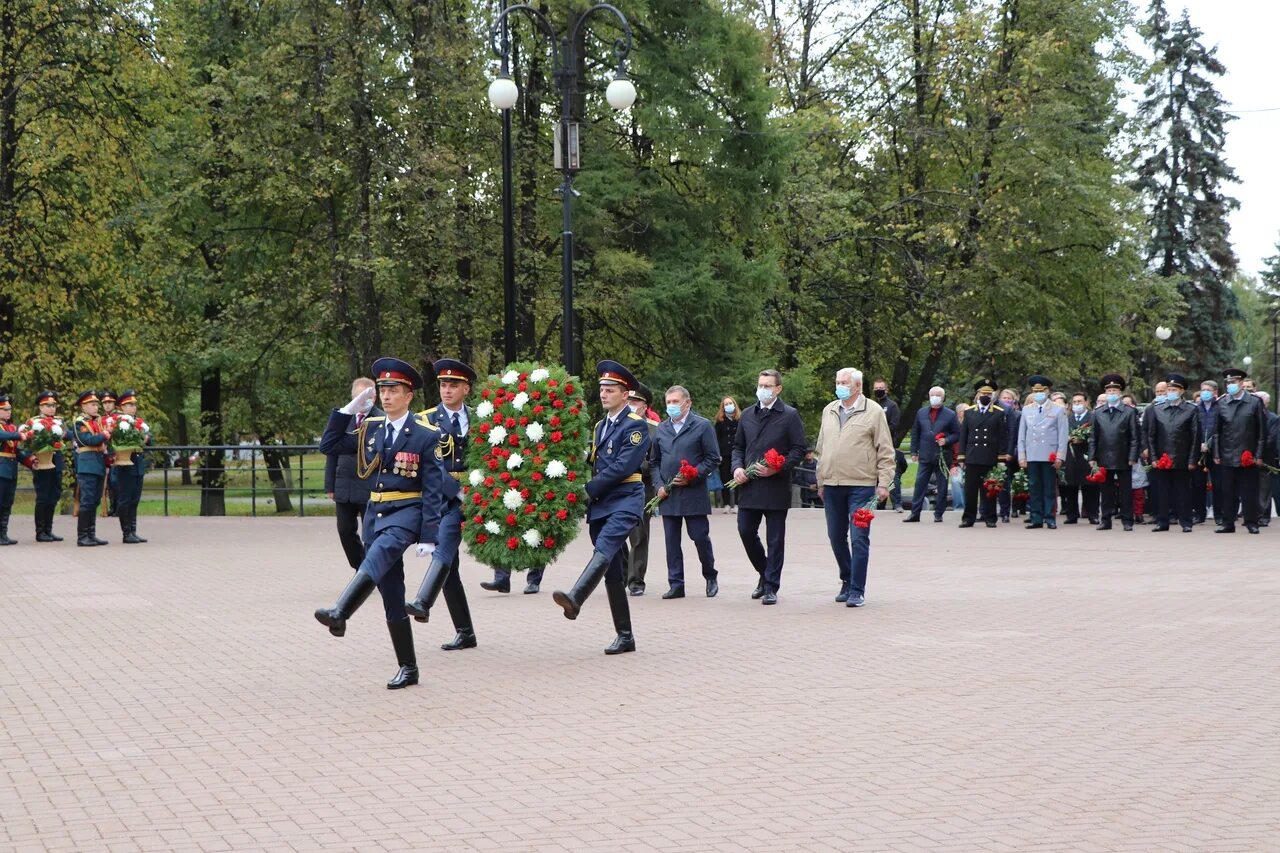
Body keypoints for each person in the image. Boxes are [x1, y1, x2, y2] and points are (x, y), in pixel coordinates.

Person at [315, 357, 447, 689]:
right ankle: (409, 667)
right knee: (391, 591)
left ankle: (341, 610)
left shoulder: (425, 435)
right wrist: (349, 409)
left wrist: (429, 535)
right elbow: (329, 445)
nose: (386, 396)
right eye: (383, 390)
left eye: (394, 390)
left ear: (409, 396)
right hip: (376, 515)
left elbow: (433, 489)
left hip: (407, 513)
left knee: (380, 553)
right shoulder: (371, 429)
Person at [552, 361, 649, 654]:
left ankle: (576, 597)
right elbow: (592, 461)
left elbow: (623, 467)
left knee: (605, 548)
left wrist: (587, 490)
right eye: (602, 389)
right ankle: (625, 636)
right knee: (612, 571)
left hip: (626, 498)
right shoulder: (599, 426)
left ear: (625, 394)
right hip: (601, 504)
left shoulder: (635, 426)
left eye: (610, 390)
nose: (604, 394)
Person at [405, 358, 479, 651]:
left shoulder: (480, 418)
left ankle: (424, 600)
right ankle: (465, 631)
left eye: (453, 385)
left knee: (446, 547)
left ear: (466, 389)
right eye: (443, 385)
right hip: (442, 497)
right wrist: (457, 490)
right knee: (451, 563)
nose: (447, 390)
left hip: (474, 496)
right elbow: (426, 464)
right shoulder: (425, 419)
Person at [816, 368, 896, 607]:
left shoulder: (873, 411)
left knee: (859, 538)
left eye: (845, 382)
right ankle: (847, 578)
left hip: (861, 486)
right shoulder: (829, 410)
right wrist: (820, 480)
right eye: (838, 381)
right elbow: (821, 448)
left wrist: (884, 483)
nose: (839, 385)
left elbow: (885, 449)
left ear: (858, 386)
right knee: (835, 536)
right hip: (832, 485)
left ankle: (857, 590)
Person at [731, 368, 807, 605]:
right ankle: (764, 573)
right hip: (750, 486)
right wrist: (737, 468)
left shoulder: (789, 415)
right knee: (745, 531)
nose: (762, 389)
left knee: (775, 539)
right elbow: (738, 447)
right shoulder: (747, 415)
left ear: (778, 389)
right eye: (760, 385)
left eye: (767, 386)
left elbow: (798, 450)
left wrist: (779, 467)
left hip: (775, 486)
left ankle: (771, 585)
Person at [651, 385, 720, 599]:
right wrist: (659, 485)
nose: (671, 406)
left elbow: (713, 458)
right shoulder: (661, 429)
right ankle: (676, 583)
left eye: (675, 402)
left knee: (699, 536)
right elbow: (654, 462)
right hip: (668, 495)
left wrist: (694, 474)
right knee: (671, 541)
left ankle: (710, 575)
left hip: (693, 494)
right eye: (668, 402)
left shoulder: (702, 425)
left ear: (687, 403)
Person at [324, 377, 378, 570]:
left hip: (369, 486)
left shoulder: (380, 418)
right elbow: (331, 452)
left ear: (374, 397)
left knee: (371, 534)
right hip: (344, 485)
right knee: (345, 531)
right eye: (359, 398)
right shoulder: (343, 419)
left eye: (368, 397)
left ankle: (371, 571)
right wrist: (329, 485)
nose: (363, 402)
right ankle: (360, 566)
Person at [1212, 367, 1267, 534]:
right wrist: (1216, 453)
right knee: (1227, 492)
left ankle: (1251, 522)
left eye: (1233, 382)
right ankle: (1228, 523)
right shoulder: (1221, 403)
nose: (1230, 385)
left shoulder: (1254, 402)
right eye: (1228, 383)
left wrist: (1258, 454)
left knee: (1249, 492)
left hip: (1247, 454)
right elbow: (1216, 432)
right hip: (1227, 453)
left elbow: (1262, 432)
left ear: (1242, 383)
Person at [1143, 375, 1199, 532]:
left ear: (1182, 391)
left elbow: (1195, 436)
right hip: (1162, 458)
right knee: (1161, 492)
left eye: (1174, 389)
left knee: (1183, 492)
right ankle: (1162, 521)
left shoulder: (1191, 410)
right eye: (1169, 389)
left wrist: (1192, 459)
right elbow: (1151, 436)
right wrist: (1153, 457)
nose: (1170, 392)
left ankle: (1186, 522)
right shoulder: (1157, 409)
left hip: (1182, 457)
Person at [620, 383, 661, 596]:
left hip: (641, 487)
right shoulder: (616, 424)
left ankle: (636, 580)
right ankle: (623, 573)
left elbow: (656, 461)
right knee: (615, 536)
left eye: (635, 402)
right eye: (628, 401)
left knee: (638, 536)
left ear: (645, 406)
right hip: (616, 486)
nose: (630, 405)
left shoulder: (654, 429)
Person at [1089, 374, 1141, 531]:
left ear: (1120, 393)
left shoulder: (1129, 412)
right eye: (1109, 391)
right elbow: (1093, 437)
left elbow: (1134, 437)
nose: (1112, 394)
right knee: (1106, 492)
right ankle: (1105, 520)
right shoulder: (1098, 412)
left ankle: (1127, 520)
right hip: (1104, 456)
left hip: (1123, 456)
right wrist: (1092, 457)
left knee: (1125, 491)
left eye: (1114, 391)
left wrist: (1133, 456)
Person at [1016, 375, 1067, 529]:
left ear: (1047, 391)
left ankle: (1049, 517)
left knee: (1049, 488)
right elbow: (1021, 435)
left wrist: (1060, 456)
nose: (1038, 393)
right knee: (1034, 487)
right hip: (1032, 454)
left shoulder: (1058, 410)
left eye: (1041, 391)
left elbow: (1062, 435)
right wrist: (1022, 456)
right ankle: (1036, 518)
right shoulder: (1026, 409)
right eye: (1035, 391)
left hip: (1049, 454)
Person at [956, 381, 1009, 528]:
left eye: (988, 394)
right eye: (983, 393)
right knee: (970, 490)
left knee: (989, 489)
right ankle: (968, 518)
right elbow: (964, 436)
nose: (985, 396)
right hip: (972, 456)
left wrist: (1001, 458)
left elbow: (1002, 437)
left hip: (989, 456)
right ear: (977, 394)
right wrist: (961, 456)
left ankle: (990, 517)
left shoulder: (998, 412)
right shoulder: (969, 412)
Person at [905, 386, 960, 523]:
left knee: (942, 486)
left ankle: (939, 513)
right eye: (932, 395)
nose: (935, 397)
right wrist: (913, 451)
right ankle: (915, 513)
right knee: (919, 485)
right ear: (929, 396)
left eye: (938, 395)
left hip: (942, 456)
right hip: (925, 455)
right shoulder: (921, 413)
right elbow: (915, 433)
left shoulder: (950, 415)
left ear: (943, 398)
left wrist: (946, 440)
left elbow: (957, 434)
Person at [111, 390, 152, 544]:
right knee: (125, 499)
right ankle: (126, 532)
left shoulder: (138, 422)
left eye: (134, 404)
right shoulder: (117, 422)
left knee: (135, 499)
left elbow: (150, 439)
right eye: (130, 404)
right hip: (125, 464)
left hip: (138, 464)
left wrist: (146, 438)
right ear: (122, 406)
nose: (133, 407)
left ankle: (133, 531)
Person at [72, 390, 111, 547]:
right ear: (84, 406)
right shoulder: (80, 422)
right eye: (92, 404)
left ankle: (91, 534)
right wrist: (104, 435)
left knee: (94, 501)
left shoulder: (98, 421)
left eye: (96, 404)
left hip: (98, 464)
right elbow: (87, 439)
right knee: (87, 501)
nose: (96, 407)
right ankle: (82, 536)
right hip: (87, 465)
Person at [28, 391, 66, 542]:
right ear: (40, 407)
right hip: (42, 462)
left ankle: (48, 530)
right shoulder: (34, 422)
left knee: (54, 496)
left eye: (53, 405)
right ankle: (40, 531)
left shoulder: (59, 421)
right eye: (48, 406)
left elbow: (68, 434)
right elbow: (28, 442)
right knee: (43, 497)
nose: (51, 409)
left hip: (56, 460)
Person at [1060, 392, 1099, 524]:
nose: (1077, 404)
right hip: (1071, 456)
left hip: (1086, 455)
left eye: (1080, 401)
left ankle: (1092, 514)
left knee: (1089, 487)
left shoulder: (1092, 417)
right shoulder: (1067, 418)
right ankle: (1072, 515)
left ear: (1086, 403)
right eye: (1075, 402)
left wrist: (1083, 439)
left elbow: (1096, 436)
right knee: (1070, 486)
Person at [871, 378, 905, 511]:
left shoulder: (892, 406)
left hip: (888, 445)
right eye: (876, 388)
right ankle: (878, 503)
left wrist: (880, 432)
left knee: (892, 474)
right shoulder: (872, 406)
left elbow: (895, 425)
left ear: (886, 389)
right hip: (873, 445)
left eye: (881, 388)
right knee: (875, 475)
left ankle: (897, 503)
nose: (878, 390)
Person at [1191, 379, 1221, 525]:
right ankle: (1199, 514)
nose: (1205, 393)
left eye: (1208, 390)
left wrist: (1212, 444)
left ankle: (1219, 514)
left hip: (1216, 451)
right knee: (1198, 484)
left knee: (1219, 483)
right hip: (1198, 451)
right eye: (1203, 390)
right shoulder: (1195, 408)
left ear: (1215, 392)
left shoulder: (1221, 407)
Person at [0, 394, 22, 545]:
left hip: (11, 468)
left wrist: (30, 460)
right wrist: (20, 434)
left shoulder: (11, 427)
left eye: (9, 409)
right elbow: (3, 436)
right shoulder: (6, 430)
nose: (8, 412)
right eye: (5, 409)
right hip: (1, 468)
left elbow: (17, 452)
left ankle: (3, 533)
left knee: (7, 502)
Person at [998, 388, 1021, 522]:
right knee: (1002, 482)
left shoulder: (1017, 414)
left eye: (1009, 398)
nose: (1006, 400)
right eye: (1004, 397)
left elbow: (1016, 434)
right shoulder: (996, 412)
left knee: (1014, 482)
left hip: (1014, 451)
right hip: (1000, 451)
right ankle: (1003, 510)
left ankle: (1014, 508)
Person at [713, 396, 740, 514]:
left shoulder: (740, 420)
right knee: (725, 479)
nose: (728, 405)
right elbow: (716, 438)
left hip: (737, 453)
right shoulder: (720, 421)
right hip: (724, 453)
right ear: (723, 407)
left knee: (738, 478)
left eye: (730, 403)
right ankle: (727, 504)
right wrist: (717, 453)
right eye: (726, 404)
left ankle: (738, 504)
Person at [1256, 391, 1276, 526]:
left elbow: (1271, 439)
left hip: (1265, 458)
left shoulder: (1273, 418)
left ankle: (1263, 517)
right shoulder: (1252, 416)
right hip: (1249, 457)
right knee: (1253, 489)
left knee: (1264, 489)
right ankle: (1253, 515)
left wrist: (1258, 452)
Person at [100, 390, 120, 517]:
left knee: (115, 481)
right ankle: (112, 506)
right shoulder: (99, 419)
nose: (107, 405)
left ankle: (118, 507)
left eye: (110, 402)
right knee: (108, 484)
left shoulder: (119, 417)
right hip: (103, 452)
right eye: (105, 403)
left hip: (116, 452)